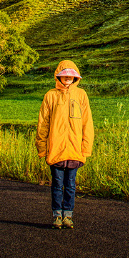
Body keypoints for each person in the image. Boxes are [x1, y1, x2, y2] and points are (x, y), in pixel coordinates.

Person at [35, 59, 94, 229]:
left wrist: (86, 148)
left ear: (75, 78)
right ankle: (57, 216)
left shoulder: (81, 95)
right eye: (65, 75)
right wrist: (42, 148)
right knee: (57, 184)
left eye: (70, 75)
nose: (68, 78)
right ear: (58, 76)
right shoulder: (50, 95)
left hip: (75, 149)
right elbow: (43, 123)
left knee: (70, 185)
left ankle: (68, 215)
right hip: (56, 149)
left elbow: (87, 123)